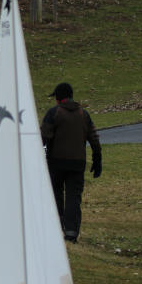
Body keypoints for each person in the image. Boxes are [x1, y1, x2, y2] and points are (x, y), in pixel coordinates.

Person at [41, 82, 102, 243]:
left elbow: (43, 137)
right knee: (74, 198)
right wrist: (97, 158)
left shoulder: (53, 113)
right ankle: (71, 232)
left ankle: (56, 227)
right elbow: (94, 138)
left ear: (58, 98)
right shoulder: (84, 114)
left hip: (56, 163)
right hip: (77, 164)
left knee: (55, 195)